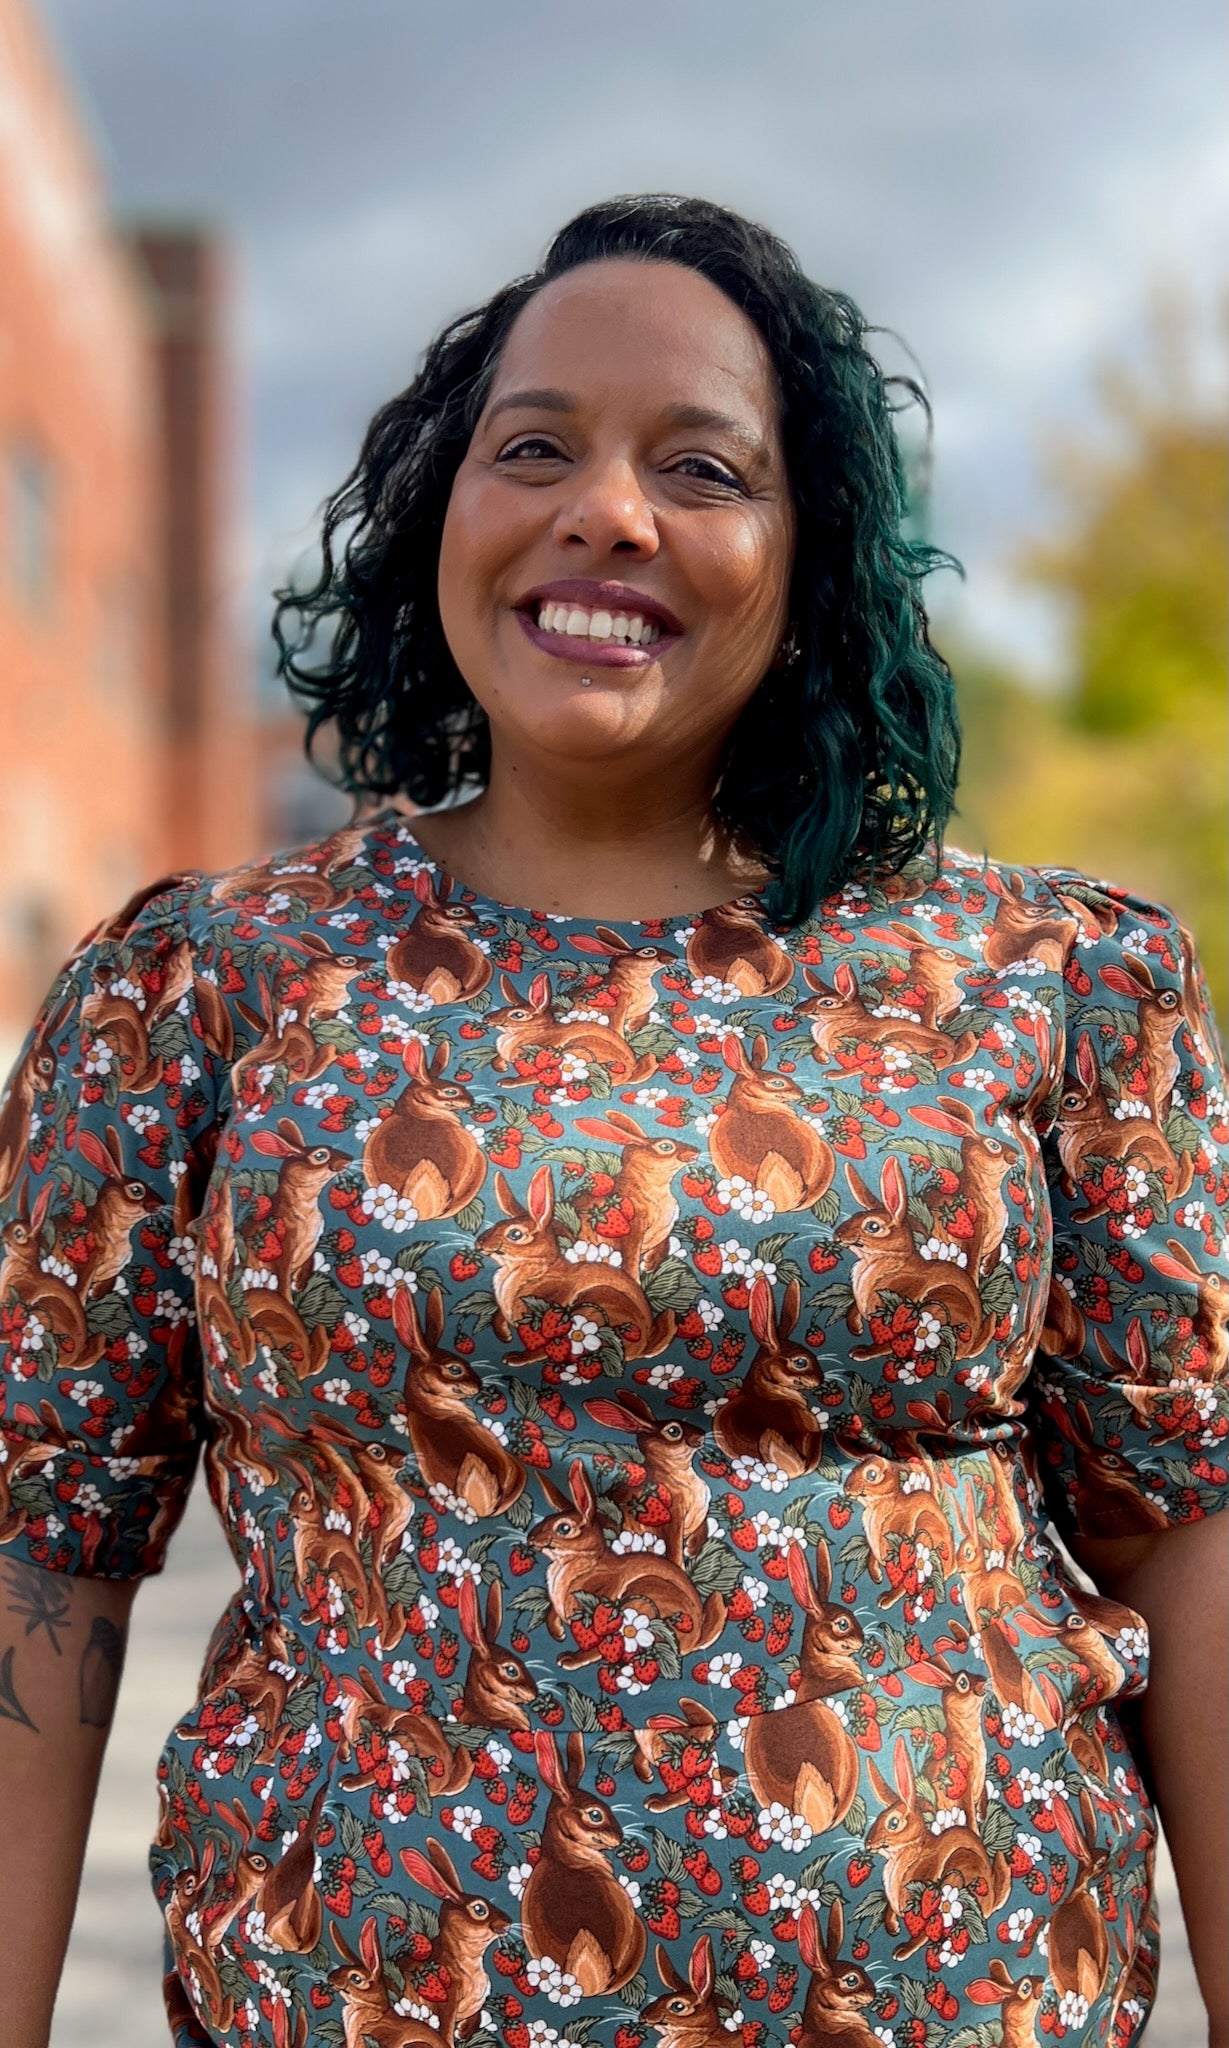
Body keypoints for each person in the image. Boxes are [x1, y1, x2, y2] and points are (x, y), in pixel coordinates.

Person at [0, 193, 1225, 2048]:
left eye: (701, 467)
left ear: (811, 558)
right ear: (440, 515)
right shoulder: (206, 986)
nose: (606, 511)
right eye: (534, 448)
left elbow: (1190, 1529)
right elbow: (42, 1544)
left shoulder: (1049, 982)